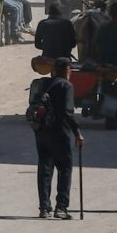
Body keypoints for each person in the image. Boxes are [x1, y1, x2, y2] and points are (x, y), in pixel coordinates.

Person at [30, 58, 84, 219]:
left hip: (41, 131)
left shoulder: (43, 84)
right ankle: (61, 208)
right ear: (67, 70)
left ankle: (44, 208)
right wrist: (77, 133)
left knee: (45, 169)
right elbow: (68, 113)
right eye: (70, 69)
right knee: (65, 168)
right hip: (59, 132)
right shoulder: (66, 86)